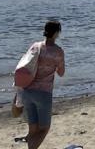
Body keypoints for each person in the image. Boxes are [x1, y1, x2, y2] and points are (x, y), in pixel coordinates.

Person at [19, 20, 66, 149]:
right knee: (44, 128)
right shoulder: (58, 51)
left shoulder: (35, 46)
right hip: (43, 93)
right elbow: (61, 73)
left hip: (27, 91)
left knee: (33, 129)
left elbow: (24, 64)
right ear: (56, 33)